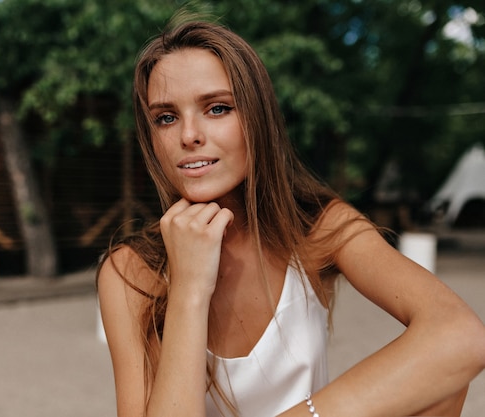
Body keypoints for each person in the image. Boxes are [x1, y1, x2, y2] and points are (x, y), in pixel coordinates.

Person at [96, 15, 485, 417]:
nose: (188, 135)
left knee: (440, 387)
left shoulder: (318, 226)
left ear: (257, 119)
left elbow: (461, 335)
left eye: (217, 108)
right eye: (166, 117)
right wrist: (190, 288)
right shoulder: (131, 272)